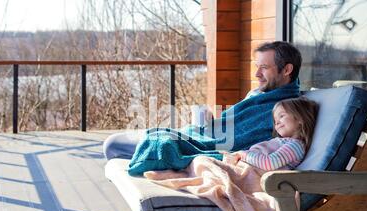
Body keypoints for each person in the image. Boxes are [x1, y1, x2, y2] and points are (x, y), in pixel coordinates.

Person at [103, 41, 303, 164]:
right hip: (202, 133)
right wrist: (211, 123)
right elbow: (236, 125)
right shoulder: (261, 93)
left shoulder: (287, 109)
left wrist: (212, 138)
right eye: (256, 67)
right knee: (116, 142)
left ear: (286, 70)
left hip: (206, 145)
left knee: (112, 144)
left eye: (264, 68)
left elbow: (251, 142)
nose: (257, 74)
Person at [223, 97, 318, 170]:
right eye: (275, 120)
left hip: (255, 176)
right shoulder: (287, 142)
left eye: (281, 116)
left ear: (300, 119)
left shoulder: (295, 146)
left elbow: (270, 163)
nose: (276, 123)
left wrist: (242, 154)